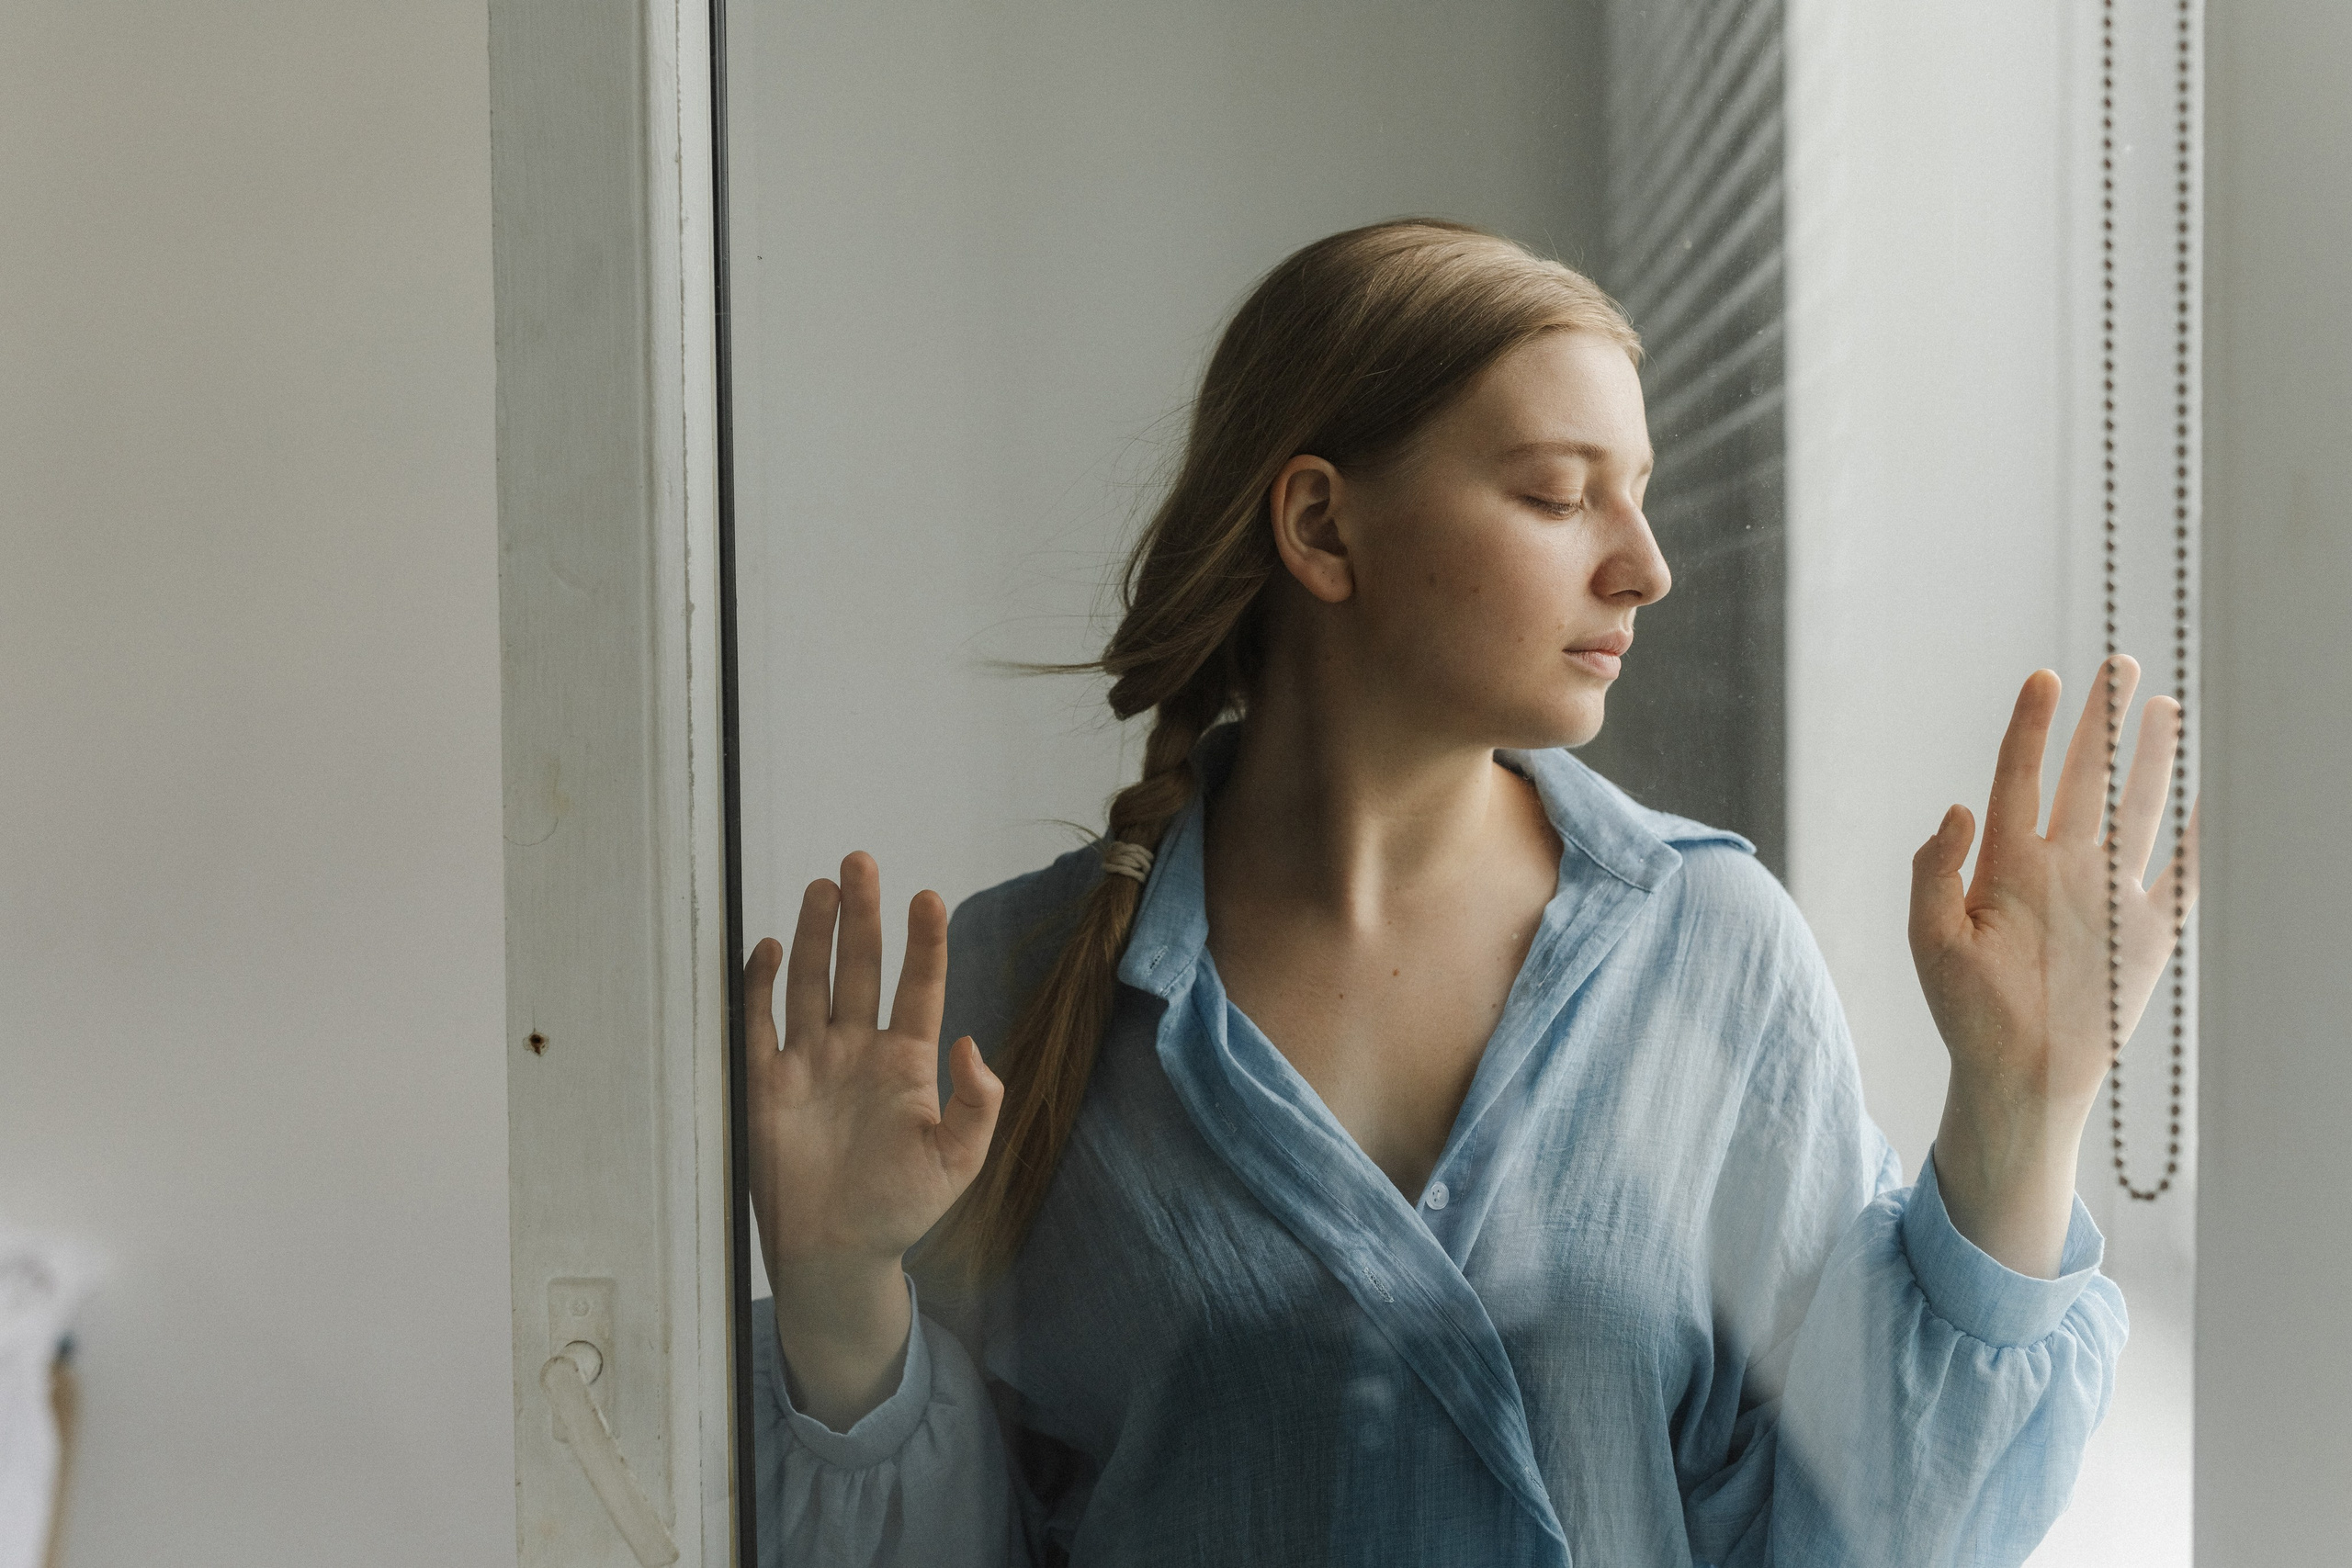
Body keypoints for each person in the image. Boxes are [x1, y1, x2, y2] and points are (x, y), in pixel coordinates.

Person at [741, 219, 2195, 1567]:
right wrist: (833, 1284)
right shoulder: (1021, 993)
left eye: (1640, 496)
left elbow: (1861, 1530)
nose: (1645, 567)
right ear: (1320, 528)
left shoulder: (1711, 951)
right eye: (1560, 495)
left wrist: (2024, 1104)